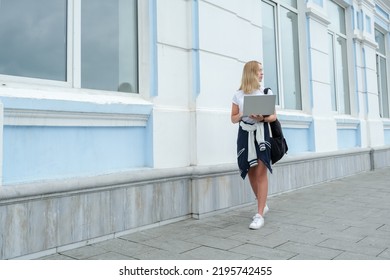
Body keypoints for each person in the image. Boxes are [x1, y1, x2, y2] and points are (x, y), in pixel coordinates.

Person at [231, 60, 277, 230]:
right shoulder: (238, 95)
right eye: (259, 70)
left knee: (260, 171)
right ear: (250, 72)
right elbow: (233, 118)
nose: (262, 73)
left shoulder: (265, 92)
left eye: (262, 70)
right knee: (250, 170)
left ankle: (259, 215)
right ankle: (262, 203)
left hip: (261, 132)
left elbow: (273, 116)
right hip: (244, 134)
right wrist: (244, 113)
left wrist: (262, 118)